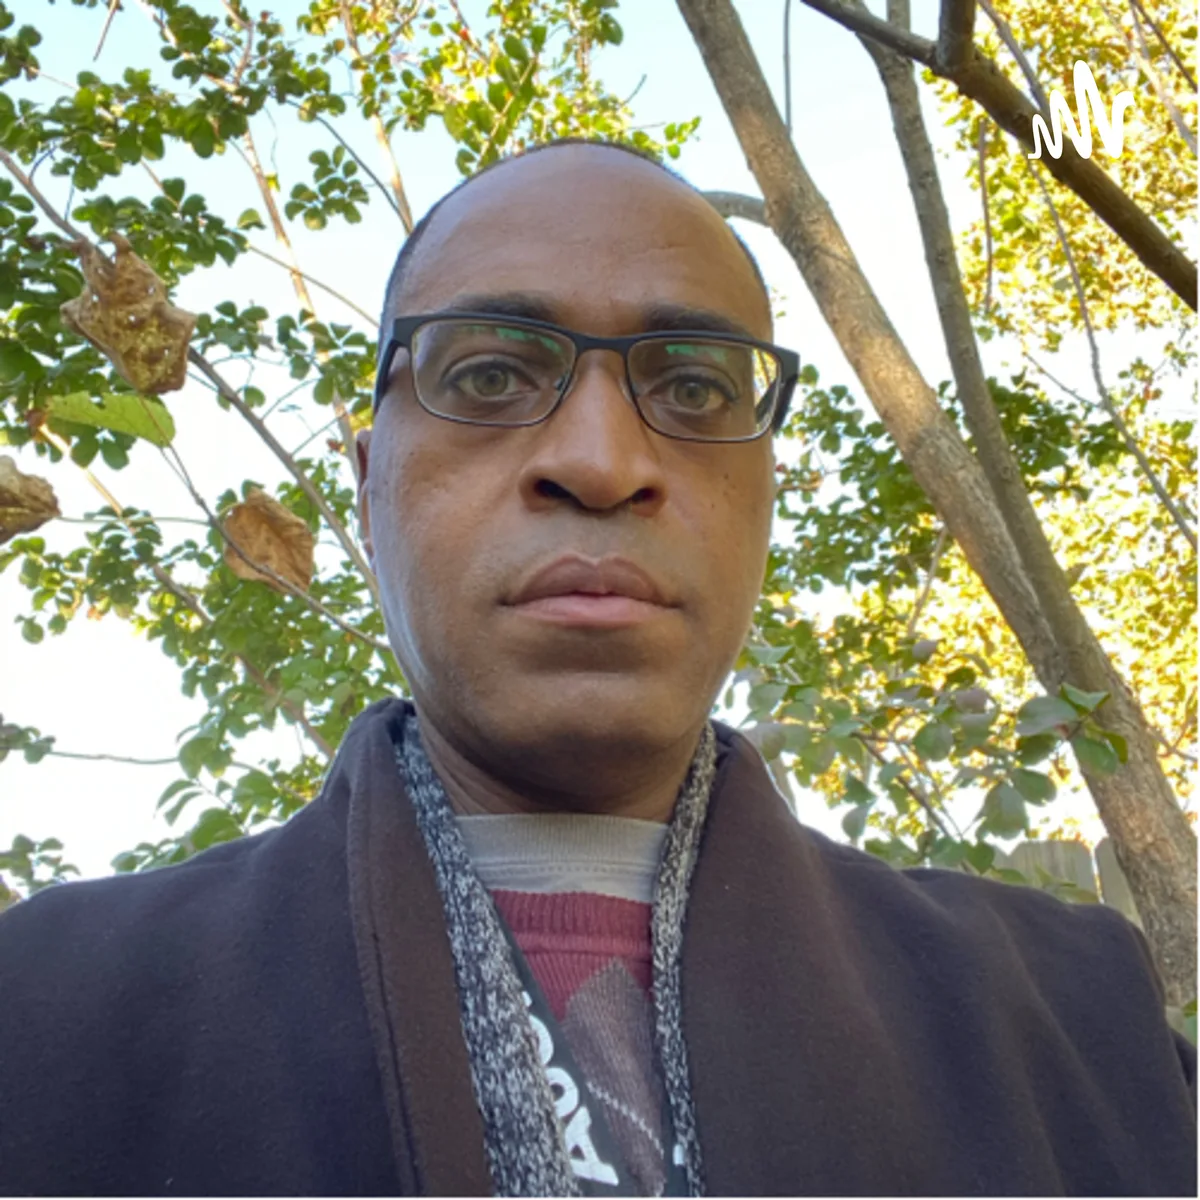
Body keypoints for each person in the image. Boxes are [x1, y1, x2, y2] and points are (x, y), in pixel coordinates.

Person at [0, 139, 1194, 1198]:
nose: (602, 461)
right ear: (367, 492)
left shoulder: (1082, 1030)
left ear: (766, 495)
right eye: (488, 376)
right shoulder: (45, 1009)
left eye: (693, 386)